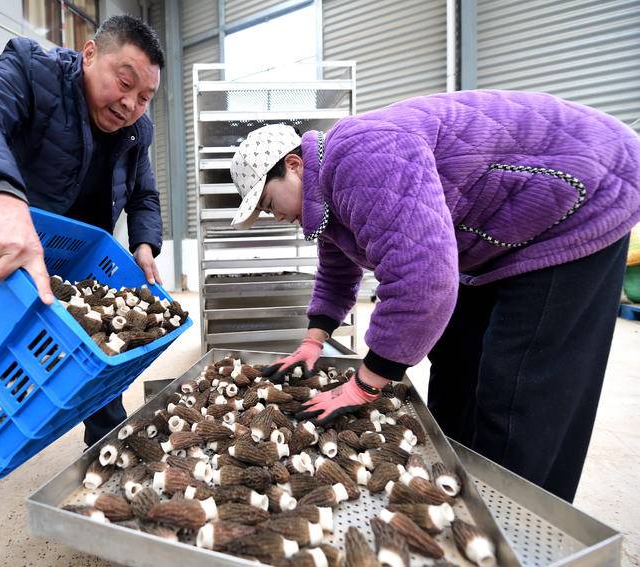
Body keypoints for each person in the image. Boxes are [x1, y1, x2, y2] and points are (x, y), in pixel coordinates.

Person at [229, 90, 640, 502]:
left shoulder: (360, 157)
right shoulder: (329, 189)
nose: (275, 216)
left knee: (519, 387)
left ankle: (515, 518)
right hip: (499, 225)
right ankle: (455, 490)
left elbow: (422, 279)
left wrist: (367, 384)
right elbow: (338, 267)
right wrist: (313, 338)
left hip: (579, 194)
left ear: (294, 165)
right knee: (457, 358)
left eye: (267, 203)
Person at [0, 15, 166, 537]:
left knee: (100, 357)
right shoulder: (33, 71)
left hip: (78, 266)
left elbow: (143, 194)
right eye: (124, 82)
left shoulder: (137, 130)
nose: (131, 104)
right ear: (89, 55)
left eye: (145, 96)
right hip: (10, 251)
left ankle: (108, 442)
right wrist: (1, 195)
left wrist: (145, 243)